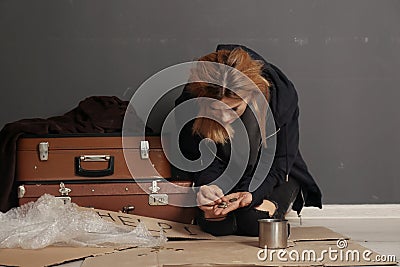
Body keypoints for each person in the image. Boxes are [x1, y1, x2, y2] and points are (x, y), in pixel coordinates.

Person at [174, 44, 322, 236]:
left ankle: (274, 205)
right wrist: (209, 186)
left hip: (273, 174)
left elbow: (279, 163)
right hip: (224, 172)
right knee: (218, 225)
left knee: (254, 222)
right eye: (214, 110)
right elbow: (198, 158)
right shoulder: (190, 101)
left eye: (234, 109)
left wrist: (252, 195)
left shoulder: (281, 97)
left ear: (252, 94)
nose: (224, 119)